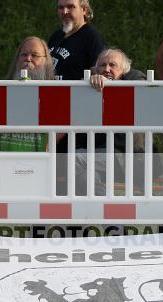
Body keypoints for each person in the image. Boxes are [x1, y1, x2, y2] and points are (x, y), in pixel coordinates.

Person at [58, 48, 145, 195]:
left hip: (124, 155)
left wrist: (111, 85)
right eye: (102, 65)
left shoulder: (133, 79)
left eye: (112, 65)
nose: (107, 69)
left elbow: (140, 79)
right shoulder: (88, 88)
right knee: (85, 175)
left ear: (124, 71)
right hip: (97, 153)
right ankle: (104, 207)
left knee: (74, 159)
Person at [0, 37, 55, 196]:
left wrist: (51, 143)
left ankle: (39, 220)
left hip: (38, 155)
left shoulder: (55, 91)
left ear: (46, 60)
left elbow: (64, 125)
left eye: (34, 55)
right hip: (2, 152)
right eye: (23, 55)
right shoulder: (2, 88)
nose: (28, 59)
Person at [48, 0, 106, 80]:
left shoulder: (92, 37)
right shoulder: (56, 36)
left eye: (70, 7)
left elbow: (100, 73)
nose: (65, 11)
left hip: (77, 94)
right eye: (60, 7)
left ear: (84, 9)